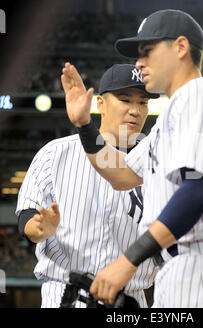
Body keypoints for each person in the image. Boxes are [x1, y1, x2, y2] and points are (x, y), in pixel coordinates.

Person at [62, 9, 203, 308]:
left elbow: (198, 190)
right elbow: (121, 174)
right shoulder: (170, 118)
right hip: (179, 269)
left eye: (147, 51)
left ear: (181, 48)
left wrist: (127, 261)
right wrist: (84, 125)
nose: (139, 62)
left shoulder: (200, 97)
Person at [15, 63, 159, 308]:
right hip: (64, 297)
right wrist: (41, 228)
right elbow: (27, 218)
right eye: (125, 99)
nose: (135, 110)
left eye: (143, 102)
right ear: (100, 103)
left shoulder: (158, 165)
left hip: (129, 301)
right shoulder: (56, 153)